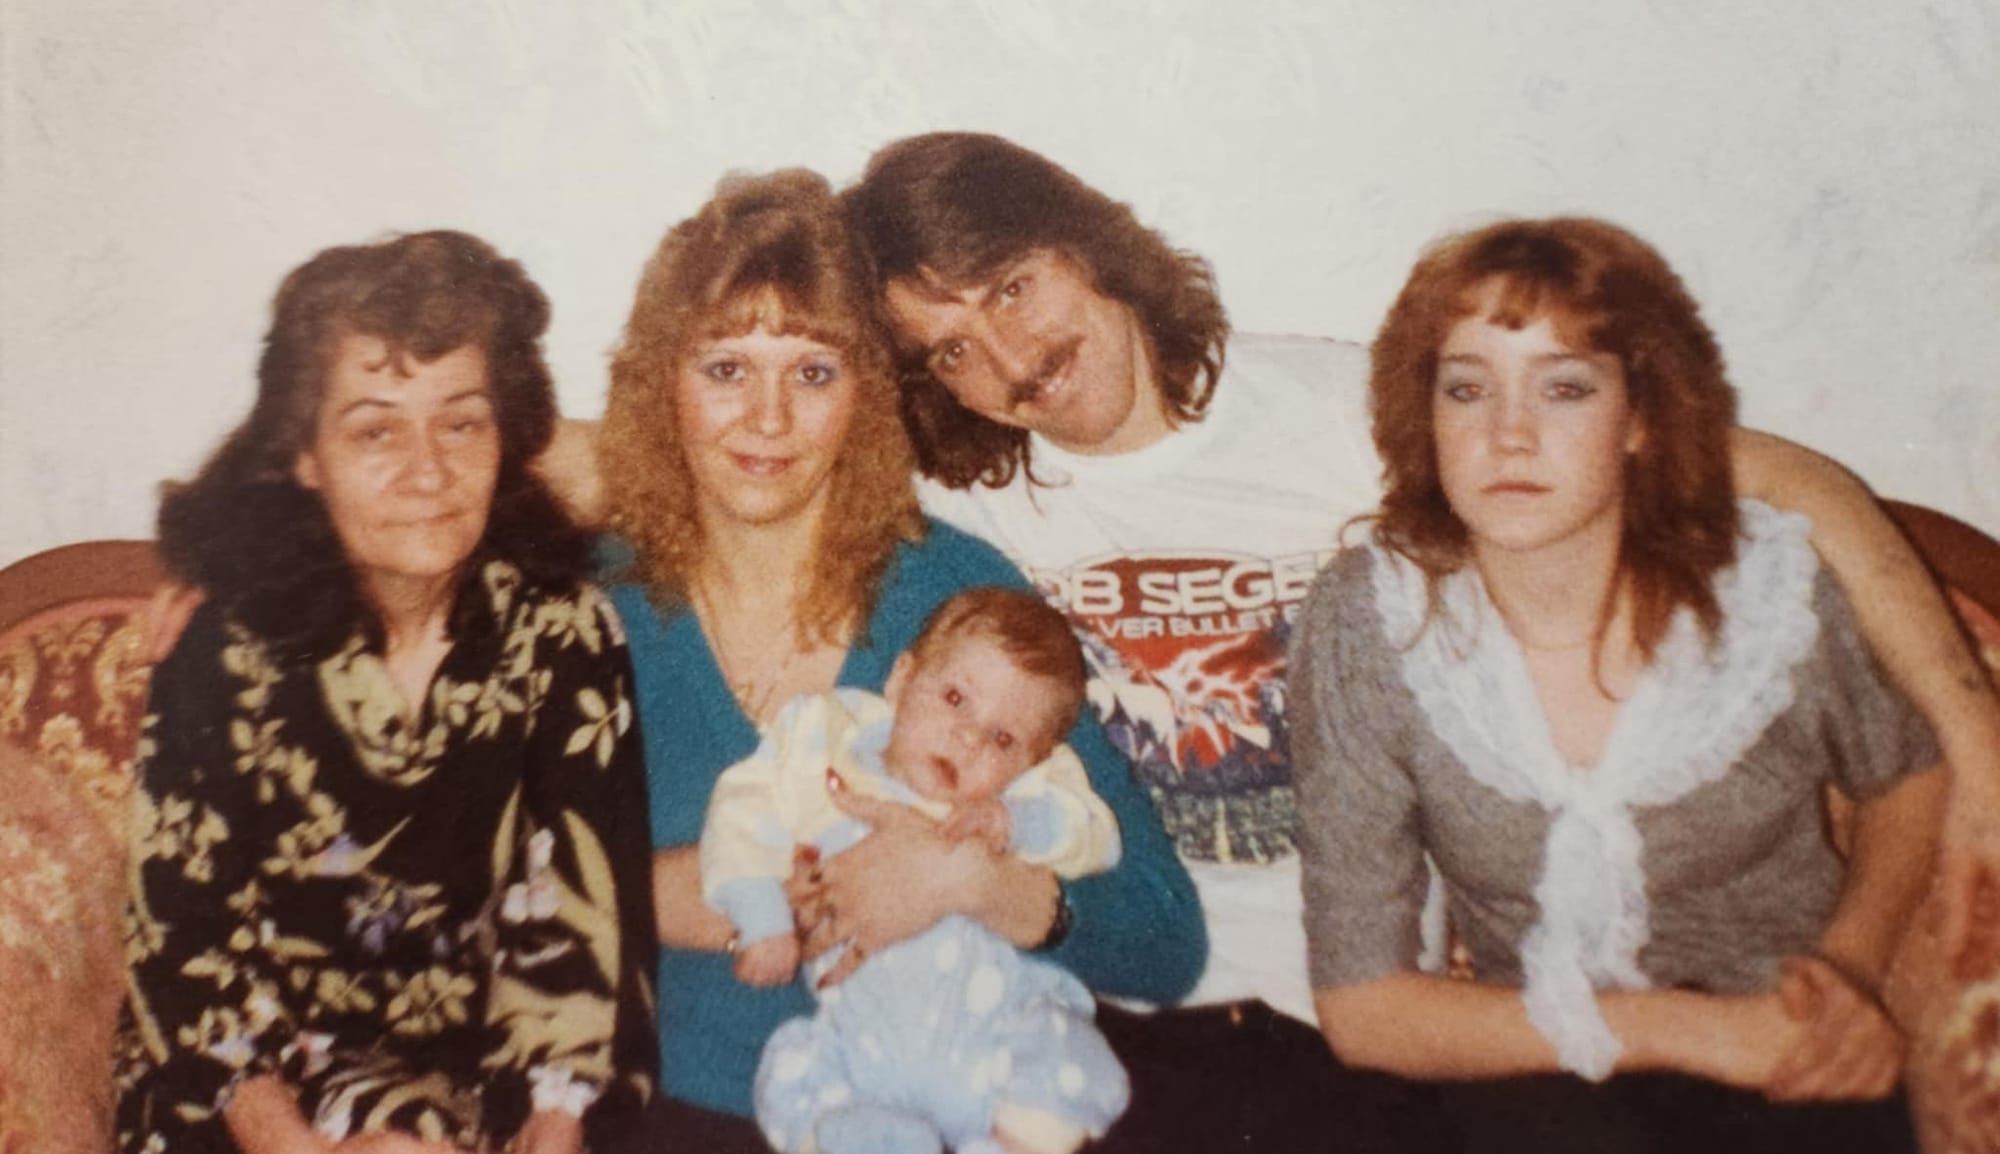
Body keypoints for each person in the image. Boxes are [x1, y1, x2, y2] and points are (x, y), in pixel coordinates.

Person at [841, 131, 2000, 1149]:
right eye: (948, 350)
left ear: (1084, 243)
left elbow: (1785, 483)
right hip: (1113, 1012)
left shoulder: (1342, 418)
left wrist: (1972, 734)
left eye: (1011, 290)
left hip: (1383, 1013)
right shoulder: (971, 506)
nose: (1009, 362)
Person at [1290, 216, 1944, 1152]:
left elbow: (1907, 778)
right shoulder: (1370, 620)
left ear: (1640, 417)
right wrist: (1697, 1034)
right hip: (1542, 1057)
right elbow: (1364, 1009)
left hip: (1789, 1057)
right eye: (1467, 389)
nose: (1509, 435)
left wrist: (1846, 974)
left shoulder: (1768, 592)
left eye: (1564, 388)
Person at [592, 168, 1203, 1152]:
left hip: (949, 1113)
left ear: (867, 395)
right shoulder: (591, 606)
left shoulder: (952, 592)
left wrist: (975, 882)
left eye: (813, 372)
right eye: (726, 368)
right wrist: (655, 891)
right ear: (665, 379)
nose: (767, 417)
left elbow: (1166, 939)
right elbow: (477, 890)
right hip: (666, 1112)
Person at [115, 232, 658, 1154]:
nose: (428, 471)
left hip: (483, 1085)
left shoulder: (561, 633)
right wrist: (296, 1144)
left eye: (461, 423)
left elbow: (581, 910)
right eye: (376, 431)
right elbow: (182, 936)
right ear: (305, 455)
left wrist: (556, 1112)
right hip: (240, 1092)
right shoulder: (225, 648)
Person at [703, 586, 1127, 1154]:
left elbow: (1098, 835)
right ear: (902, 679)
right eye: (954, 698)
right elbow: (741, 811)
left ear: (1034, 759)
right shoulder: (826, 737)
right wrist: (761, 917)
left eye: (1003, 739)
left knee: (1065, 1052)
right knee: (790, 1070)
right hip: (860, 1046)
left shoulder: (1019, 794)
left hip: (996, 1035)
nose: (969, 738)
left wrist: (1017, 822)